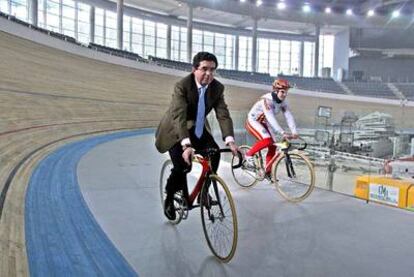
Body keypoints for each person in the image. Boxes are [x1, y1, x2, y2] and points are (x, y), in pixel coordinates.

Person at [155, 52, 239, 220]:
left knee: (214, 153)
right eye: (204, 69)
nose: (209, 74)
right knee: (183, 167)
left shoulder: (217, 87)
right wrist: (186, 146)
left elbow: (223, 114)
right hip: (176, 130)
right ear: (194, 69)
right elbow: (179, 115)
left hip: (197, 129)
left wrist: (230, 141)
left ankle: (203, 192)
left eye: (212, 70)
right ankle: (169, 197)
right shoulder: (182, 85)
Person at [244, 78, 298, 175]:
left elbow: (289, 116)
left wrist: (294, 132)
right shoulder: (267, 100)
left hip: (264, 122)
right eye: (282, 92)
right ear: (275, 91)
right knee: (267, 140)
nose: (285, 95)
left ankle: (267, 172)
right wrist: (282, 132)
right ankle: (248, 155)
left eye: (286, 92)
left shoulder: (283, 102)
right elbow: (271, 118)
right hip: (253, 121)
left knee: (273, 146)